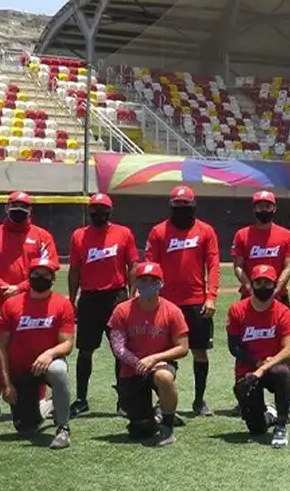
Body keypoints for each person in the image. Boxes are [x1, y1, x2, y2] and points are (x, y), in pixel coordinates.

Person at [0, 191, 59, 420]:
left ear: (31, 210)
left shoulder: (42, 236)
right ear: (6, 207)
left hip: (32, 305)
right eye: (14, 205)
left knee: (34, 353)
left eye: (23, 206)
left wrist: (20, 288)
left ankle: (40, 399)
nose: (18, 210)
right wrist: (3, 287)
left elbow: (49, 266)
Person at [145, 186, 220, 417]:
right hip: (166, 304)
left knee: (199, 352)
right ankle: (162, 400)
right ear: (171, 206)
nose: (181, 210)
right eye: (177, 205)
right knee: (164, 353)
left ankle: (199, 400)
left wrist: (211, 297)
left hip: (197, 302)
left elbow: (214, 265)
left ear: (193, 206)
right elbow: (150, 266)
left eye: (185, 206)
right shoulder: (158, 232)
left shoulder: (205, 231)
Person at [68, 193, 139, 418]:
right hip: (89, 299)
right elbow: (75, 270)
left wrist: (132, 295)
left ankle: (123, 399)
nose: (99, 214)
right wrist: (72, 300)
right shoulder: (79, 236)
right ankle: (81, 399)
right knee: (85, 351)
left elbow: (132, 265)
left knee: (120, 350)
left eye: (103, 209)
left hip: (116, 298)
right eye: (95, 210)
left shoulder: (123, 233)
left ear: (110, 211)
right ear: (90, 211)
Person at [0, 258, 75, 449]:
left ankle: (63, 428)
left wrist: (48, 354)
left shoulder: (62, 304)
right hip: (20, 370)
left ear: (53, 278)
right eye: (36, 274)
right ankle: (50, 405)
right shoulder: (11, 305)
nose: (40, 278)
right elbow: (0, 347)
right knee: (26, 429)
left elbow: (68, 345)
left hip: (47, 364)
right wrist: (6, 385)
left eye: (46, 274)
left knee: (59, 371)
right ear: (28, 277)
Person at [108, 262, 190, 447]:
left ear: (161, 283)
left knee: (164, 377)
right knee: (141, 430)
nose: (147, 284)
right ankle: (155, 415)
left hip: (160, 364)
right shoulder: (122, 310)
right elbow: (118, 347)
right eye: (142, 280)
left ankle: (167, 428)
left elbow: (183, 348)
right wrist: (139, 362)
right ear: (135, 283)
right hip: (132, 368)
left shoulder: (172, 311)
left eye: (152, 280)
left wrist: (154, 359)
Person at [231, 190, 290, 412]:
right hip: (250, 297)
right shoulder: (242, 234)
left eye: (267, 206)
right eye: (259, 206)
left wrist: (276, 290)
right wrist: (250, 288)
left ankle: (287, 397)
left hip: (278, 295)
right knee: (245, 346)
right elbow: (239, 265)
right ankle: (244, 393)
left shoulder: (286, 235)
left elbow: (288, 265)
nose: (264, 210)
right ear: (254, 209)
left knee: (286, 348)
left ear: (274, 208)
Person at [226, 264, 290, 448]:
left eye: (267, 282)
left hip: (272, 367)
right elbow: (234, 348)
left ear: (274, 285)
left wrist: (264, 367)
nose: (263, 287)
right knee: (256, 429)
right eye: (259, 282)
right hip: (248, 369)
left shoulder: (283, 312)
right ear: (252, 284)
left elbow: (289, 350)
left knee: (282, 373)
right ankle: (269, 416)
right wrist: (257, 364)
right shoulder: (237, 310)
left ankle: (281, 424)